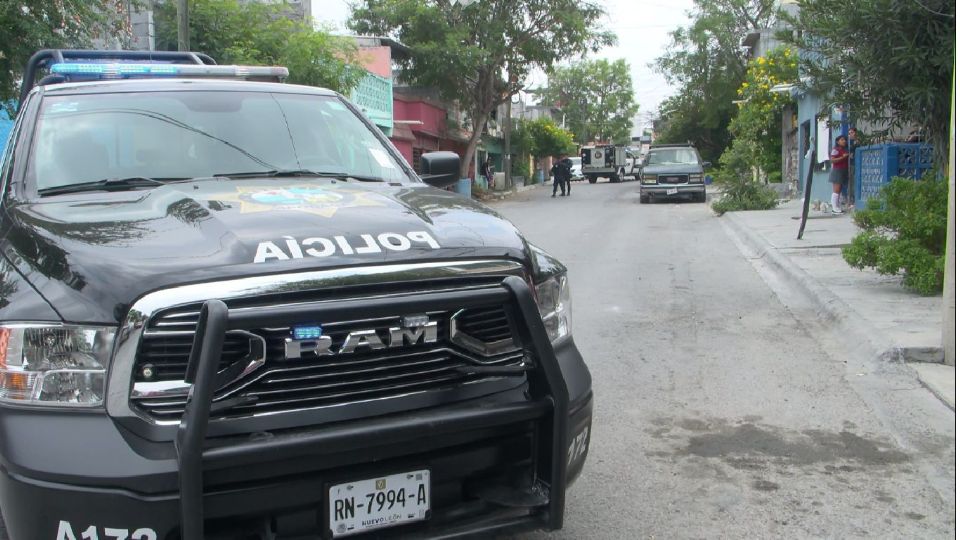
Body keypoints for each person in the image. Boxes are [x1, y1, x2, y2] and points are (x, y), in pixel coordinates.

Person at [828, 135, 849, 214]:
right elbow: (832, 160)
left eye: (845, 140)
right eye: (842, 139)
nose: (844, 141)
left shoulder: (844, 149)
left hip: (843, 170)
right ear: (838, 141)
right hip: (837, 170)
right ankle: (834, 208)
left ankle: (837, 206)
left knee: (839, 190)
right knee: (836, 190)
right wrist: (843, 157)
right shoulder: (835, 150)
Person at [846, 128, 859, 208]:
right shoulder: (849, 142)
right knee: (850, 182)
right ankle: (850, 200)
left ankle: (853, 200)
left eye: (852, 132)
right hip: (851, 164)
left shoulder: (857, 142)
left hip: (856, 163)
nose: (850, 134)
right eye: (849, 133)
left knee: (854, 181)